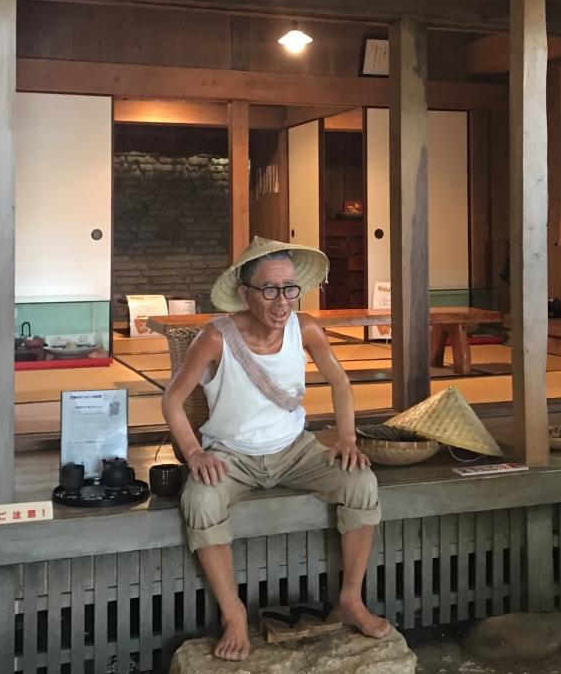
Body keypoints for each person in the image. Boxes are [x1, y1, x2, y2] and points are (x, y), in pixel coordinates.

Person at [162, 238, 391, 661]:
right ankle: (233, 614)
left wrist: (346, 438)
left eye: (289, 288)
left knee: (361, 482)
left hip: (295, 450)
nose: (282, 300)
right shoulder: (215, 338)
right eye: (269, 289)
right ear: (245, 293)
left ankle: (350, 599)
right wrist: (194, 452)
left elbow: (340, 383)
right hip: (232, 456)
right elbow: (172, 400)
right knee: (200, 500)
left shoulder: (306, 328)